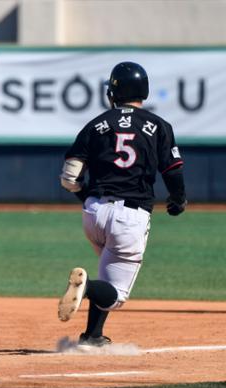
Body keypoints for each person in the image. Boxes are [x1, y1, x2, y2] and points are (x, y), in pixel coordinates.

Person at [57, 61, 187, 347]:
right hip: (129, 216)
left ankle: (92, 337)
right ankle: (87, 287)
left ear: (113, 93)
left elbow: (69, 177)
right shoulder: (159, 126)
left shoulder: (96, 124)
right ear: (144, 91)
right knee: (115, 294)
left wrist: (88, 199)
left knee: (108, 270)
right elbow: (172, 170)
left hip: (93, 214)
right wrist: (178, 200)